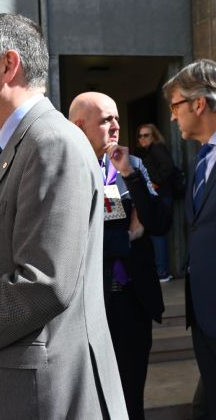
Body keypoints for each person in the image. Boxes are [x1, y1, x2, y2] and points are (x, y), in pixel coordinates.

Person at [0, 13, 127, 419]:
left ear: (8, 65)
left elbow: (43, 284)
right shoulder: (18, 147)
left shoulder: (51, 143)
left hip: (42, 398)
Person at [69, 92, 168, 420]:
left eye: (116, 118)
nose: (115, 125)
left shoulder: (133, 164)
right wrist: (126, 236)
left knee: (131, 393)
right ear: (79, 125)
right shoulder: (67, 169)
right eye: (105, 120)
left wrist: (129, 176)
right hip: (90, 302)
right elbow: (73, 237)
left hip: (133, 300)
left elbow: (158, 221)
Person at [163, 58, 216, 420]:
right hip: (203, 315)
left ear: (199, 103)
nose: (172, 116)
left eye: (175, 105)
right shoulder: (201, 159)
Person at [136, 123, 175, 282]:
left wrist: (155, 182)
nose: (143, 138)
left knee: (158, 233)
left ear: (154, 136)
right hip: (159, 197)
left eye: (147, 135)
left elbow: (168, 167)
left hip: (161, 197)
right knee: (156, 233)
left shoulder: (157, 148)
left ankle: (162, 272)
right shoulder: (149, 151)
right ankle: (161, 271)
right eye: (140, 135)